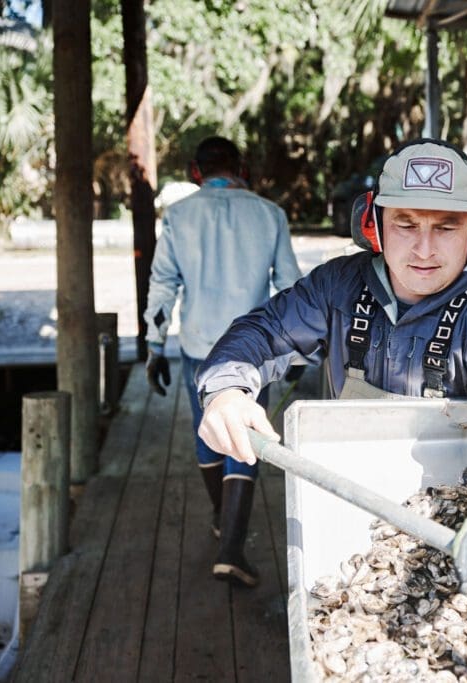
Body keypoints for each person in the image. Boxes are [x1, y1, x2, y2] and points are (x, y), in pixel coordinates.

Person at [195, 138, 467, 591]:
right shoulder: (337, 286)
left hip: (451, 520)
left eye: (447, 228)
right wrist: (225, 391)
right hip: (344, 509)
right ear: (373, 225)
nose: (425, 250)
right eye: (406, 224)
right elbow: (259, 334)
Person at [143, 136, 302, 587]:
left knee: (208, 436)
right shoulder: (270, 214)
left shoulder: (178, 217)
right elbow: (291, 288)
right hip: (254, 352)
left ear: (197, 171)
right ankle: (230, 545)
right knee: (244, 440)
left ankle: (222, 519)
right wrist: (297, 350)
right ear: (242, 168)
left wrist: (155, 345)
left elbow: (162, 286)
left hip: (199, 347)